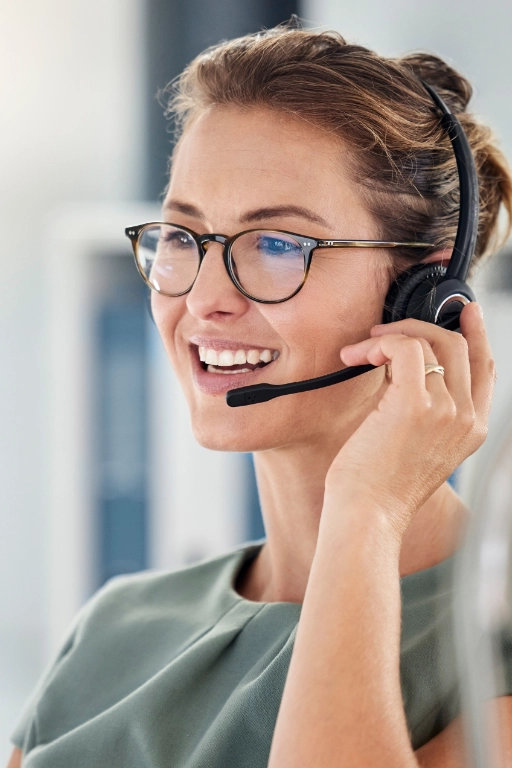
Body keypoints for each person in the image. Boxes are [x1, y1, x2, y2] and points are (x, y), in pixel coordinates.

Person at [8, 24, 512, 768]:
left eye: (277, 244)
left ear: (424, 293)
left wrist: (368, 509)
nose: (203, 299)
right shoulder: (117, 626)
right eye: (182, 237)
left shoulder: (488, 644)